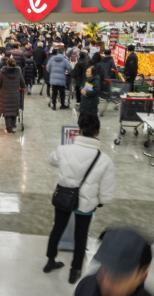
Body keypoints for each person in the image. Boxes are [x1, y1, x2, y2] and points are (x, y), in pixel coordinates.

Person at [44, 114, 115, 284]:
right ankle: (75, 270)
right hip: (87, 202)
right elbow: (106, 189)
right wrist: (101, 201)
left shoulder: (63, 150)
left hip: (63, 197)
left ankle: (50, 261)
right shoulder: (104, 160)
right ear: (97, 132)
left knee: (57, 229)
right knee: (81, 235)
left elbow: (51, 160)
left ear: (78, 129)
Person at [0, 57, 24, 132]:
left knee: (7, 111)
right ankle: (13, 127)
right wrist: (23, 88)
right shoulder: (18, 72)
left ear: (7, 64)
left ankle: (8, 129)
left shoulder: (3, 72)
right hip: (15, 94)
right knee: (14, 110)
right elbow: (22, 83)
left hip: (5, 94)